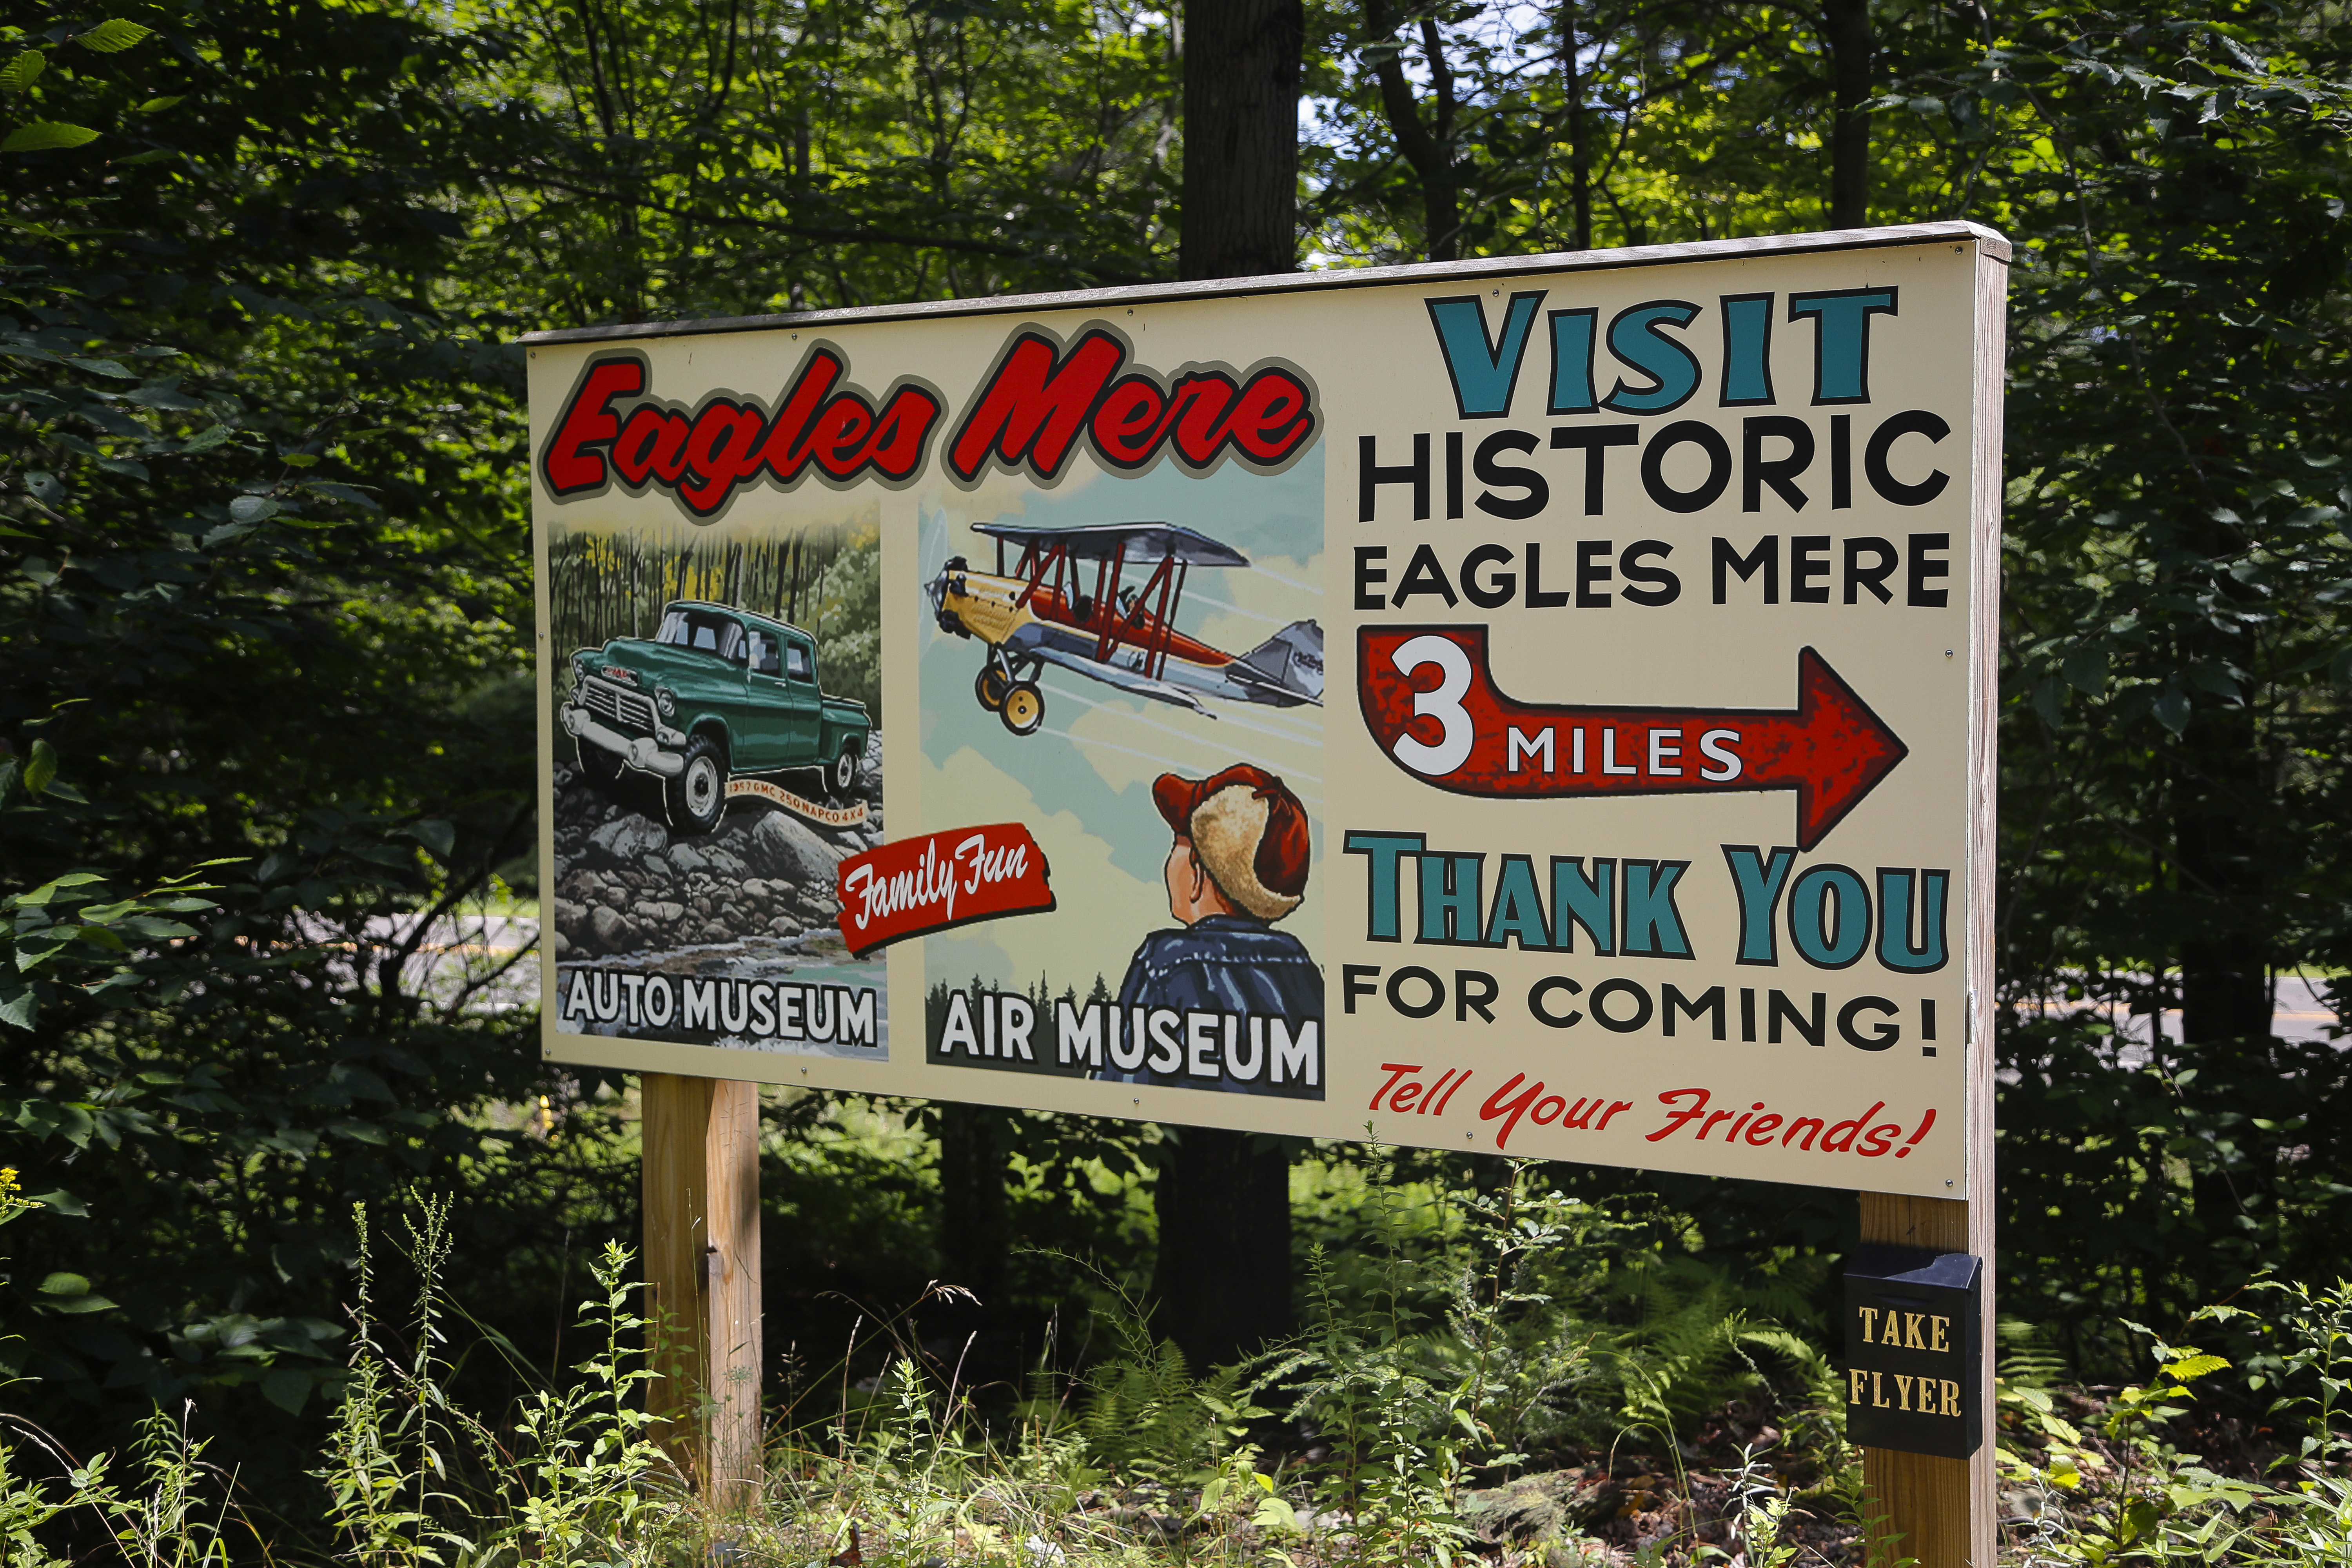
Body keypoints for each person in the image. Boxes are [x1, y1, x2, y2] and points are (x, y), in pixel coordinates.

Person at [1099, 764, 1321, 1093]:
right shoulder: (1303, 972)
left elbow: (1123, 1093)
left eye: (1179, 844)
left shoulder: (1165, 963)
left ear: (1197, 873)